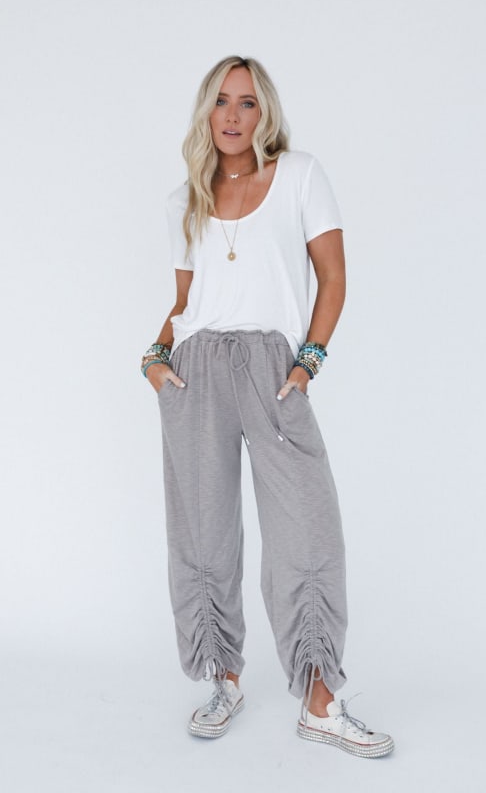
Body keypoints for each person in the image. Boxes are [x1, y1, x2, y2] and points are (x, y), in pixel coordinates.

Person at [141, 55, 394, 758]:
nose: (232, 115)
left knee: (308, 530)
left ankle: (319, 699)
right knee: (202, 530)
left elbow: (332, 277)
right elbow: (186, 302)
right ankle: (222, 677)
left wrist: (308, 362)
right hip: (193, 372)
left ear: (265, 113)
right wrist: (153, 360)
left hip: (272, 368)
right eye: (221, 101)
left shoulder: (300, 175)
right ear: (206, 112)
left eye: (247, 102)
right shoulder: (183, 201)